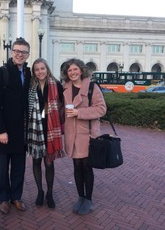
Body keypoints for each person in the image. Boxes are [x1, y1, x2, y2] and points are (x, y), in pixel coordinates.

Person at [0, 37, 31, 214]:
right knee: (3, 168)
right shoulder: (0, 73)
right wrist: (1, 130)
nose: (20, 54)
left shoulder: (30, 75)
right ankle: (4, 199)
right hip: (4, 131)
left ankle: (16, 197)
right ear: (12, 52)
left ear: (28, 54)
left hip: (22, 131)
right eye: (17, 51)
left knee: (19, 168)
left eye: (23, 52)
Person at [61, 58, 107, 215]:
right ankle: (80, 197)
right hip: (71, 134)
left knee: (86, 167)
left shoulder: (92, 87)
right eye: (69, 70)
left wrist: (79, 112)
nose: (72, 73)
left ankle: (88, 199)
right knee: (76, 166)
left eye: (75, 69)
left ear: (81, 70)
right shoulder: (64, 88)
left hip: (86, 134)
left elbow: (101, 109)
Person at [27, 58, 64, 209]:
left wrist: (51, 114)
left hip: (50, 128)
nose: (40, 72)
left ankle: (49, 193)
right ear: (34, 72)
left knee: (49, 162)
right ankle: (40, 191)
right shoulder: (30, 86)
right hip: (35, 129)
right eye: (37, 69)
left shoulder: (56, 85)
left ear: (47, 69)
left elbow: (62, 104)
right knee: (36, 161)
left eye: (42, 68)